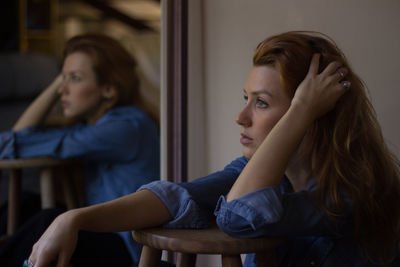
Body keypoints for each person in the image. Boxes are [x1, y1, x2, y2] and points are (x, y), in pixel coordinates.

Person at [26, 31, 400, 267]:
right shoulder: (253, 173)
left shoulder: (351, 192)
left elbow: (240, 215)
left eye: (262, 103)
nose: (241, 117)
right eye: (245, 98)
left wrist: (301, 110)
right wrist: (71, 219)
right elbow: (173, 197)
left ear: (314, 113)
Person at [0, 34, 160, 266]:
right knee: (28, 203)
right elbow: (14, 141)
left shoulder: (125, 127)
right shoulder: (95, 125)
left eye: (74, 78)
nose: (62, 90)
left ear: (108, 89)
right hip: (106, 237)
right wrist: (62, 80)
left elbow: (10, 144)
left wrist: (59, 82)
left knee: (48, 219)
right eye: (61, 79)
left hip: (129, 252)